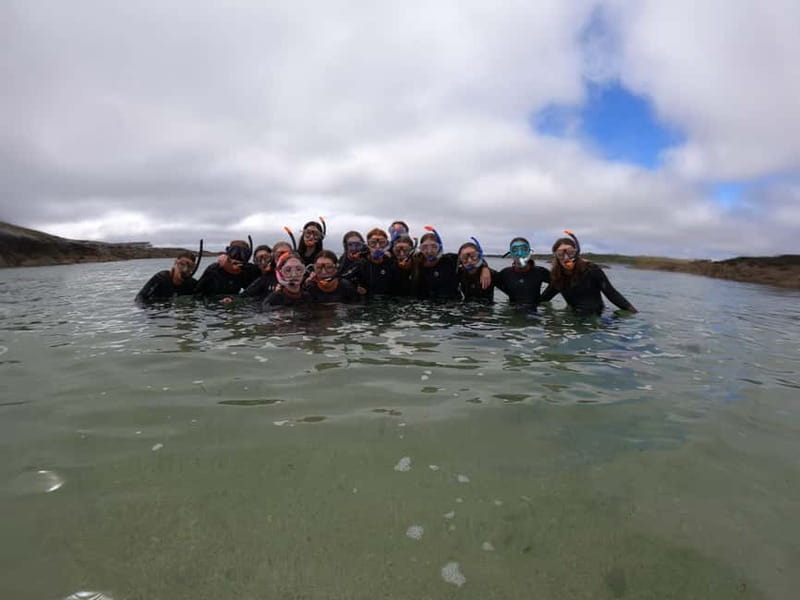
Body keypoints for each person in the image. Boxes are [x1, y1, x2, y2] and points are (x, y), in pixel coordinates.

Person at [540, 231, 637, 316]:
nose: (566, 258)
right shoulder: (557, 277)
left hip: (599, 317)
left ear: (577, 253)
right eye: (561, 254)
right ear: (556, 256)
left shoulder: (592, 270)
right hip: (573, 318)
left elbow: (612, 294)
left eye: (570, 253)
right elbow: (544, 299)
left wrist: (634, 314)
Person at [495, 237, 551, 308]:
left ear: (529, 252)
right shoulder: (505, 273)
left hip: (534, 314)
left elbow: (560, 281)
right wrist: (484, 267)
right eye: (515, 250)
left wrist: (543, 299)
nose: (520, 254)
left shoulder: (540, 272)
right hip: (513, 312)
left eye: (524, 249)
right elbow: (492, 278)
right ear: (511, 254)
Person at [194, 240, 260, 299]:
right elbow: (197, 293)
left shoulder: (248, 270)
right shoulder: (214, 269)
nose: (237, 257)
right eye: (233, 252)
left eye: (243, 254)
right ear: (228, 254)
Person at [357, 228, 395, 296]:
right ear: (368, 245)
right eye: (373, 243)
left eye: (382, 243)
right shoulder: (360, 263)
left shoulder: (391, 263)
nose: (377, 247)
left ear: (387, 245)